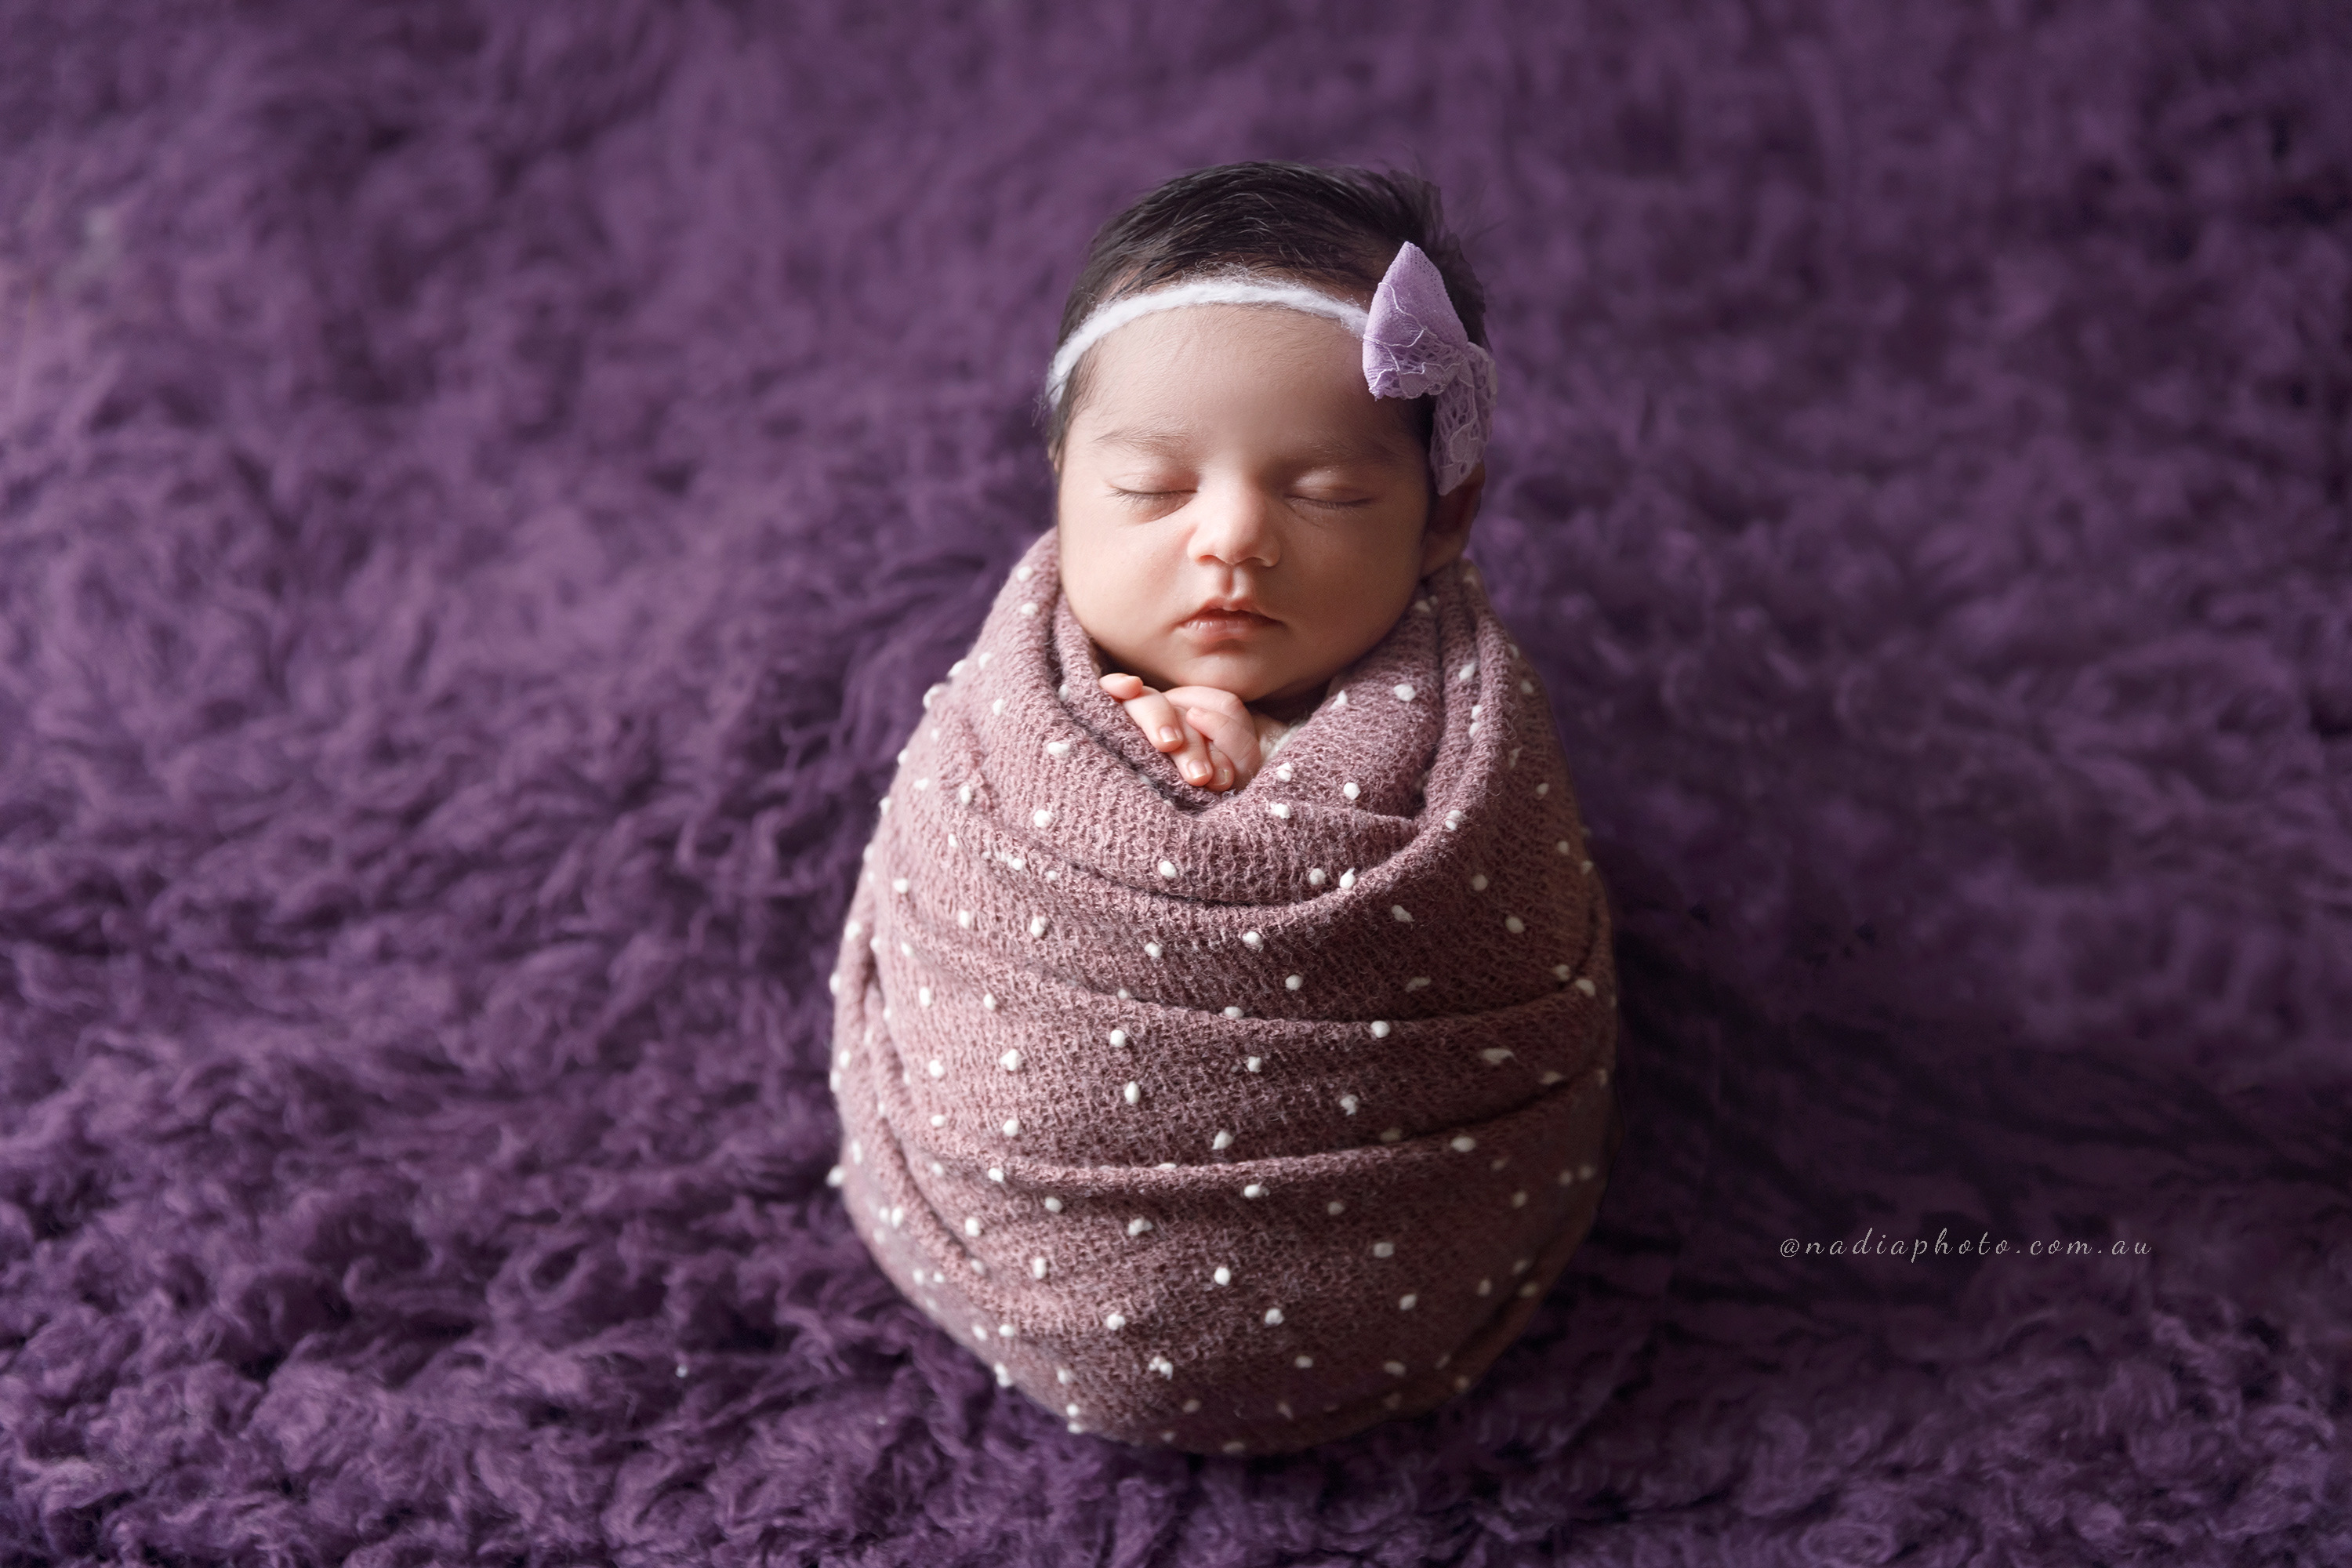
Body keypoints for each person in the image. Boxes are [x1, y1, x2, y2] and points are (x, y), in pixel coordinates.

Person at [1040, 161, 1495, 795]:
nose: (1233, 539)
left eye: (1325, 494)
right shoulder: (1000, 711)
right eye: (1154, 487)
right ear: (1064, 493)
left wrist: (1281, 775)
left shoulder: (1471, 742)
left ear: (1444, 518)